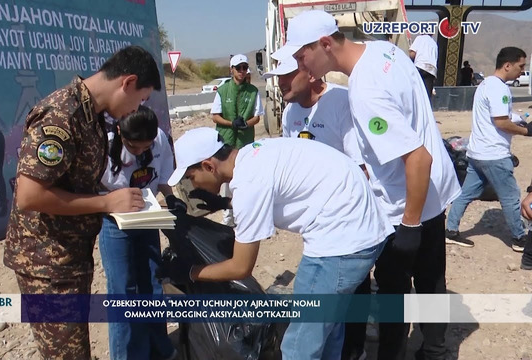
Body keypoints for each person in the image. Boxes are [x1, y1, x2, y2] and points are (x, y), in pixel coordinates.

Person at [272, 10, 461, 360]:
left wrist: (408, 225)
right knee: (432, 279)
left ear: (325, 44)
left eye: (302, 57)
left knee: (392, 293)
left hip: (403, 203)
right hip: (431, 194)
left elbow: (418, 158)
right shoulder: (382, 51)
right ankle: (435, 347)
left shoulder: (364, 90)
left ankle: (393, 354)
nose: (302, 66)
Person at [165, 127, 394, 360]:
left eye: (191, 177)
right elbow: (276, 190)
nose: (193, 184)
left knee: (299, 345)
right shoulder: (256, 152)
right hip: (365, 230)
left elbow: (240, 267)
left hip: (340, 245)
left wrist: (191, 272)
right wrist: (225, 203)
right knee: (328, 325)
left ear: (209, 166)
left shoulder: (248, 183)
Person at [3, 45, 161, 360]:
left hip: (68, 258)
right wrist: (105, 204)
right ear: (127, 83)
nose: (135, 110)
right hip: (47, 263)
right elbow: (29, 195)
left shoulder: (93, 116)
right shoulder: (63, 115)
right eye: (139, 100)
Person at [264, 56, 368, 360]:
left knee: (353, 286)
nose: (280, 83)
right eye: (277, 76)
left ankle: (354, 350)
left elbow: (361, 167)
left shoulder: (340, 103)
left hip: (348, 216)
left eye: (286, 75)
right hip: (316, 222)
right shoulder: (290, 112)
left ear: (309, 74)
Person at [99, 105, 181, 360]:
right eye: (134, 148)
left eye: (146, 148)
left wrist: (171, 198)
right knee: (123, 290)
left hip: (147, 216)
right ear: (122, 135)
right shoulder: (105, 143)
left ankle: (157, 349)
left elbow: (165, 175)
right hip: (115, 223)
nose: (141, 152)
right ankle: (127, 355)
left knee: (153, 284)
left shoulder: (158, 139)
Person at [446, 47, 531, 252]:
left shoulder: (486, 85)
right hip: (494, 155)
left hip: (477, 153)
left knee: (466, 193)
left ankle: (450, 230)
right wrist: (525, 131)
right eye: (521, 66)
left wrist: (518, 120)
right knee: (510, 196)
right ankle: (519, 238)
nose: (522, 71)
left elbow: (500, 117)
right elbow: (501, 122)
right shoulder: (498, 88)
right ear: (507, 65)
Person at [211, 54, 264, 227]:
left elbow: (257, 116)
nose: (242, 71)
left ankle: (246, 215)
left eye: (244, 68)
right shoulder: (222, 90)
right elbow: (215, 117)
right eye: (238, 68)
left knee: (245, 177)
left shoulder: (253, 91)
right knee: (226, 180)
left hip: (245, 141)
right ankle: (228, 218)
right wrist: (231, 124)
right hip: (226, 141)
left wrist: (245, 125)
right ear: (231, 70)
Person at [409, 34, 438, 103]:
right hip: (431, 70)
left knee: (415, 92)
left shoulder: (420, 38)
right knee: (426, 97)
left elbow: (412, 54)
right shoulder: (434, 44)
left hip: (420, 66)